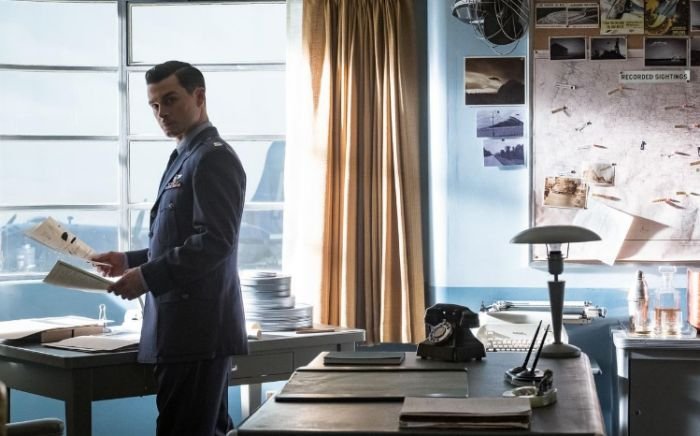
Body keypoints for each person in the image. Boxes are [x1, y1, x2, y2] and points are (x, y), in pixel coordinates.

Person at [92, 60, 248, 436]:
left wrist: (146, 277)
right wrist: (128, 260)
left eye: (171, 100)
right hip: (181, 332)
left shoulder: (213, 157)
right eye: (154, 105)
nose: (162, 112)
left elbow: (215, 242)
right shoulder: (184, 156)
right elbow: (175, 240)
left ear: (199, 97)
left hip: (197, 332)